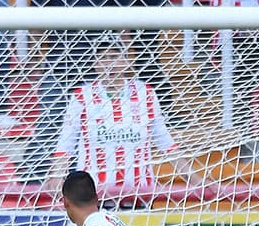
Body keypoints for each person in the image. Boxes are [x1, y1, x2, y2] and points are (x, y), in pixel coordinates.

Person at [25, 0, 128, 178]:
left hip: (101, 67)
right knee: (51, 122)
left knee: (99, 125)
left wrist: (123, 63)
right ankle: (36, 178)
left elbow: (125, 23)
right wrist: (36, 61)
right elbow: (36, 22)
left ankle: (93, 178)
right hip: (59, 62)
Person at [50, 33, 177, 197]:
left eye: (114, 56)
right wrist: (56, 176)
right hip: (93, 197)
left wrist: (195, 180)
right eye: (102, 57)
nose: (108, 63)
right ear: (95, 64)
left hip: (140, 195)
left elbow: (166, 144)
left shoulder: (146, 93)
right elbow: (65, 145)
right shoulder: (82, 96)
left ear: (126, 61)